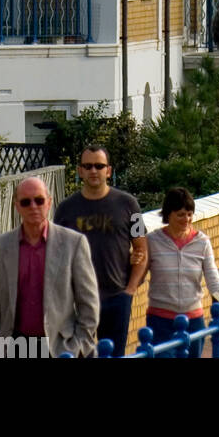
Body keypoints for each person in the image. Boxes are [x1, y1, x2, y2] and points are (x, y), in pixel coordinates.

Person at [0, 175, 100, 358]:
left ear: (49, 203)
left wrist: (77, 347)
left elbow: (89, 305)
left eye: (39, 200)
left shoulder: (73, 243)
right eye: (26, 202)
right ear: (17, 206)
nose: (33, 207)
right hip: (14, 346)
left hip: (59, 348)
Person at [54, 144, 147, 356]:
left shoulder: (129, 204)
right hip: (77, 300)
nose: (93, 171)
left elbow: (142, 247)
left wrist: (130, 290)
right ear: (80, 171)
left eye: (99, 165)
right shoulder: (65, 209)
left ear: (109, 170)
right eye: (87, 166)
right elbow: (56, 254)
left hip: (116, 297)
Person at [143, 187, 219, 357]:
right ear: (168, 215)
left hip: (193, 319)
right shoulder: (152, 241)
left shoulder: (202, 242)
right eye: (180, 214)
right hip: (160, 320)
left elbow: (212, 277)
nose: (186, 219)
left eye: (189, 214)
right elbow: (139, 273)